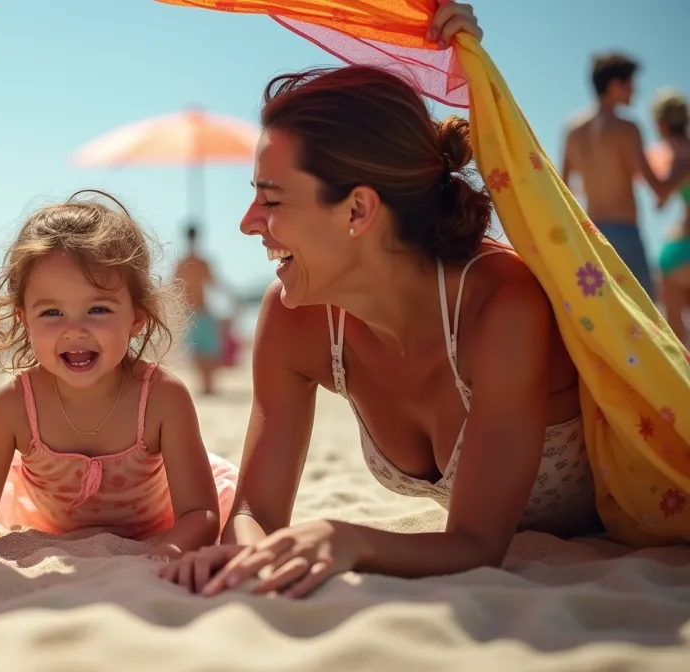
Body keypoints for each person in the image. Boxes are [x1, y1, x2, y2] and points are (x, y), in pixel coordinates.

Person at [158, 1, 606, 599]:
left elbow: (477, 543)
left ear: (359, 210)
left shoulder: (499, 307)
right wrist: (243, 558)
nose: (247, 224)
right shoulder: (296, 320)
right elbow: (257, 511)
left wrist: (350, 539)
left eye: (271, 199)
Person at [0, 191, 239, 560]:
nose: (75, 330)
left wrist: (170, 548)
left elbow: (199, 514)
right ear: (24, 318)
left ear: (136, 317)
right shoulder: (13, 407)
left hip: (161, 520)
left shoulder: (162, 400)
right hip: (47, 523)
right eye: (52, 313)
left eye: (97, 308)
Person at [561, 51, 681, 300]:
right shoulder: (627, 128)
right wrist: (682, 166)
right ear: (614, 86)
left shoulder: (573, 129)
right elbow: (658, 189)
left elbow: (563, 189)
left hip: (591, 235)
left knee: (605, 317)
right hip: (625, 233)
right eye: (629, 84)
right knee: (645, 317)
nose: (634, 91)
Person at [173, 223, 236, 395]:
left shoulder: (191, 262)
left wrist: (232, 298)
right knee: (201, 350)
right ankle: (207, 386)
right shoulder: (189, 262)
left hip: (197, 310)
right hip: (194, 311)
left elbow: (213, 283)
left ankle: (208, 386)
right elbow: (175, 287)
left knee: (205, 349)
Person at [651, 89, 690, 345]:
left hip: (681, 252)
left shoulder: (680, 154)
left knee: (677, 334)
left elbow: (662, 195)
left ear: (661, 125)